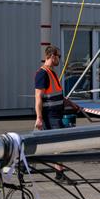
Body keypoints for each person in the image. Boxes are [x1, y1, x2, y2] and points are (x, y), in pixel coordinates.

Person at [34, 45, 82, 179]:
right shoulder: (42, 73)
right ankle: (59, 174)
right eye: (59, 56)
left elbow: (59, 95)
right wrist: (39, 117)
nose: (60, 59)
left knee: (55, 144)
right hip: (50, 115)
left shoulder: (52, 73)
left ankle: (58, 173)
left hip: (56, 114)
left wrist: (72, 104)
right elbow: (38, 97)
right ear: (52, 56)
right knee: (58, 144)